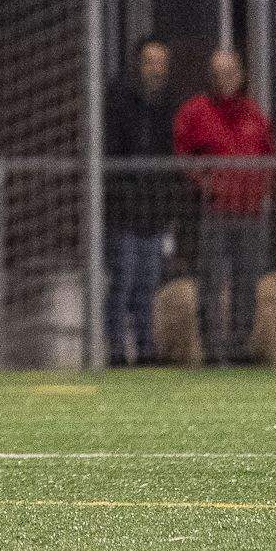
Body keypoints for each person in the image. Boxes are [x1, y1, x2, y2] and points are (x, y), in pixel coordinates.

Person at [173, 48, 276, 366]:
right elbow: (182, 153)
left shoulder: (254, 113)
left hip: (250, 213)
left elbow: (269, 155)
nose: (225, 77)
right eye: (219, 71)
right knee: (211, 281)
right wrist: (206, 183)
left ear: (241, 74)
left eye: (231, 70)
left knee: (248, 281)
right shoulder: (195, 111)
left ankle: (239, 347)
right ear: (211, 76)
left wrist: (264, 191)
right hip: (215, 212)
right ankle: (213, 350)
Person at [104, 36, 177, 366]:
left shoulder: (169, 107)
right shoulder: (119, 100)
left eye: (161, 62)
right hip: (124, 212)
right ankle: (116, 350)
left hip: (154, 213)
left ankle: (147, 349)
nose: (156, 69)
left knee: (148, 284)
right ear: (138, 64)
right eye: (150, 61)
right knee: (123, 282)